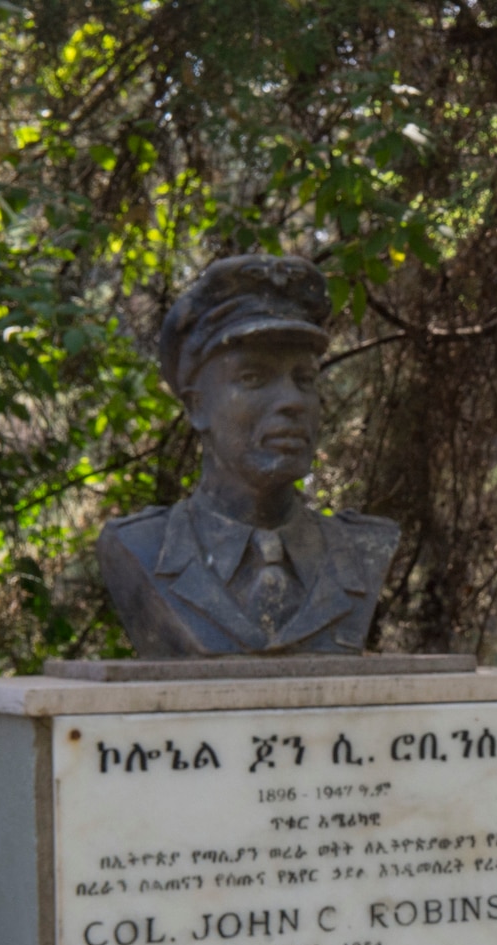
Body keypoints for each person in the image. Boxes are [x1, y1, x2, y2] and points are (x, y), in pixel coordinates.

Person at [98, 254, 398, 657]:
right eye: (253, 378)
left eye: (304, 379)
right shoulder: (140, 549)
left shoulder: (366, 548)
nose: (292, 401)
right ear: (196, 407)